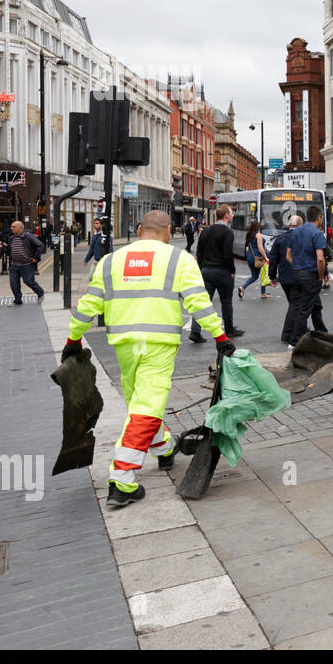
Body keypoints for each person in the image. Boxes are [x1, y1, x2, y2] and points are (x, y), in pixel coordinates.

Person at [60, 210, 235, 507]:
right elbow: (198, 302)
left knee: (140, 403)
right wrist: (220, 337)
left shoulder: (110, 261)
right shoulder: (178, 259)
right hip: (159, 345)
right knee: (145, 407)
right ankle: (122, 479)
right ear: (168, 231)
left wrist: (73, 339)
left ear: (140, 229)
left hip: (124, 346)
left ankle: (165, 448)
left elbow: (88, 303)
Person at [188, 205, 245, 344]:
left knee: (203, 303)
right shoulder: (227, 232)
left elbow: (199, 253)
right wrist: (232, 270)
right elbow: (228, 254)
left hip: (206, 270)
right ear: (226, 215)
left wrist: (202, 269)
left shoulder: (205, 232)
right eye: (231, 213)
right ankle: (230, 330)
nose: (232, 215)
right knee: (226, 301)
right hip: (222, 271)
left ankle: (195, 331)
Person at [269, 214, 328, 342]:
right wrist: (324, 273)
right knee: (304, 306)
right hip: (305, 275)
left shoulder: (280, 239)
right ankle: (295, 335)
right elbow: (317, 256)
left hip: (286, 278)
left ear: (289, 225)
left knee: (298, 306)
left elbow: (273, 258)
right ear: (301, 224)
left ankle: (298, 333)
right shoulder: (307, 235)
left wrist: (272, 276)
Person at [283, 205, 328, 348]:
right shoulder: (318, 234)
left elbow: (288, 255)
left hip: (296, 274)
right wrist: (321, 276)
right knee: (304, 309)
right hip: (311, 275)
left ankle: (322, 332)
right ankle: (294, 341)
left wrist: (297, 265)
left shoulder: (295, 232)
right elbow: (320, 258)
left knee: (314, 305)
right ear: (319, 217)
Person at [6, 220, 46, 304]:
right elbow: (10, 249)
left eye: (14, 227)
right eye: (11, 227)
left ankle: (40, 293)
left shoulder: (28, 236)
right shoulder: (11, 238)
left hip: (26, 264)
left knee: (28, 281)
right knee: (13, 283)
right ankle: (18, 299)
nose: (11, 228)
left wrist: (35, 257)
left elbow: (40, 245)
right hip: (14, 265)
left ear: (20, 228)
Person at [238, 220, 271, 300]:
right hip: (258, 257)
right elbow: (260, 248)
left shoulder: (249, 235)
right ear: (257, 227)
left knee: (255, 276)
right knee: (263, 274)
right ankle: (262, 293)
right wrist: (265, 257)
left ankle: (243, 287)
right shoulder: (258, 235)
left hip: (250, 257)